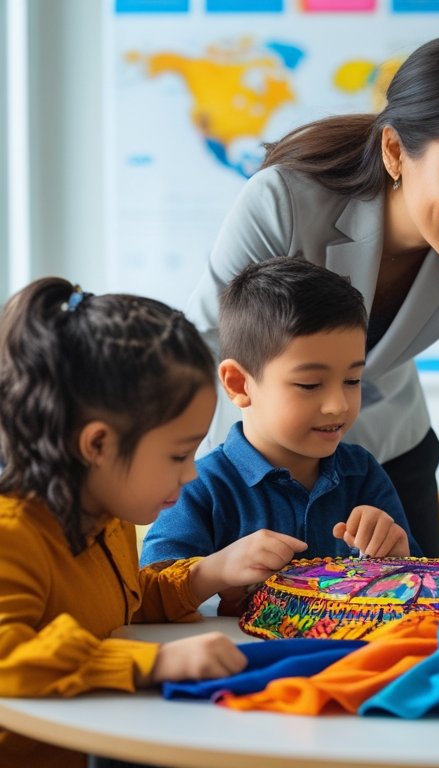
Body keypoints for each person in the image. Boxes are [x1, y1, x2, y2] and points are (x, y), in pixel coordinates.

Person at [185, 32, 439, 558]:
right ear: (395, 151)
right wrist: (196, 474)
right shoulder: (284, 202)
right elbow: (204, 347)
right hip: (261, 466)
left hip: (388, 459)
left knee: (414, 623)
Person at [0, 279, 307, 768]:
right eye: (178, 454)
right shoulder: (12, 535)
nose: (190, 473)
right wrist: (154, 662)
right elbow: (7, 656)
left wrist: (208, 574)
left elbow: (116, 606)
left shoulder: (106, 518)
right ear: (96, 445)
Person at [142, 258, 419, 574]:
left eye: (352, 380)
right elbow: (151, 592)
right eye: (310, 384)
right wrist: (216, 571)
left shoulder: (363, 475)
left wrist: (398, 556)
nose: (338, 405)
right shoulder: (200, 486)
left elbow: (418, 587)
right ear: (238, 384)